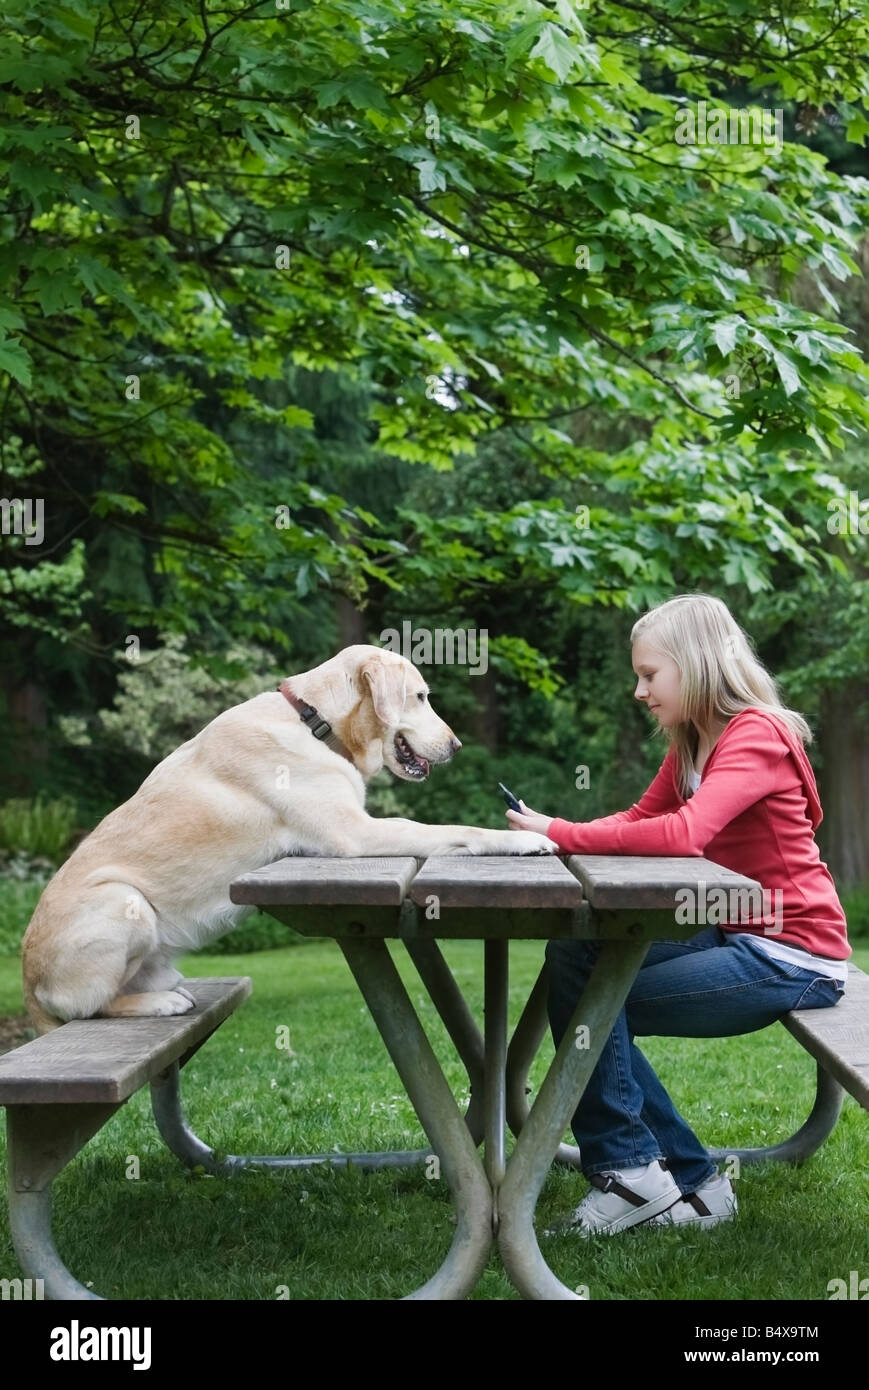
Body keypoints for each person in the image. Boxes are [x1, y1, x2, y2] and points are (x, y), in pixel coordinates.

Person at [506, 593, 851, 1236]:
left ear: (694, 666)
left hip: (793, 954)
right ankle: (686, 1180)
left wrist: (563, 830)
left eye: (648, 674)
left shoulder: (756, 732)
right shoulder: (692, 739)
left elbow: (684, 833)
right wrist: (554, 834)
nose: (639, 690)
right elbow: (640, 821)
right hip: (733, 926)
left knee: (596, 1004)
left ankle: (636, 1175)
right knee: (576, 959)